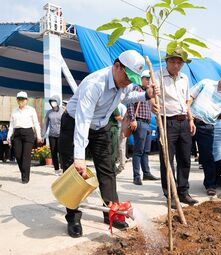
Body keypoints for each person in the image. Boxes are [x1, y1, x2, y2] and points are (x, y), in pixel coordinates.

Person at [59, 50, 159, 238]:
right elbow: (83, 119)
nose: (128, 82)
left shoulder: (125, 84)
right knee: (73, 173)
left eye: (132, 79)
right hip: (74, 124)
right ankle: (73, 218)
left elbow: (126, 97)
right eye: (127, 76)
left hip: (101, 126)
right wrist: (79, 157)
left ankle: (112, 213)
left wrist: (146, 95)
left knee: (107, 170)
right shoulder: (94, 84)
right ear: (117, 66)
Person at [155, 48, 198, 208]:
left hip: (184, 122)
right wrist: (153, 102)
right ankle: (170, 195)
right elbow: (151, 97)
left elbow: (187, 101)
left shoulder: (184, 78)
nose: (176, 65)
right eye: (173, 61)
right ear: (166, 61)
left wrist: (191, 119)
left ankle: (183, 191)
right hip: (167, 121)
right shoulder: (158, 76)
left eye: (179, 62)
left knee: (185, 159)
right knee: (167, 160)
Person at [189, 69, 221, 196]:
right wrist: (188, 116)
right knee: (184, 156)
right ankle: (181, 187)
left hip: (207, 126)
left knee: (207, 157)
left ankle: (210, 185)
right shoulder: (206, 83)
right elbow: (190, 97)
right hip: (191, 120)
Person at [127, 70, 159, 185]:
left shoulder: (148, 92)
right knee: (138, 151)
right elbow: (130, 104)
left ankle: (146, 173)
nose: (149, 81)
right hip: (139, 122)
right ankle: (136, 176)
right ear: (142, 79)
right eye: (147, 78)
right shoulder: (137, 89)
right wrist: (133, 119)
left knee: (146, 151)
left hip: (148, 123)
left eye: (150, 79)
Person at [7, 91, 42, 183]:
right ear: (17, 100)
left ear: (26, 100)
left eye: (22, 99)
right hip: (17, 134)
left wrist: (39, 136)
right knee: (18, 155)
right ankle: (24, 171)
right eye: (19, 99)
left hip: (28, 133)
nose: (21, 101)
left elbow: (36, 124)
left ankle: (25, 177)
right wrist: (8, 136)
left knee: (26, 156)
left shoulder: (31, 110)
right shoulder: (14, 111)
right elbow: (11, 125)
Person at [41, 95, 64, 175]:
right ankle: (56, 169)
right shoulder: (49, 112)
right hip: (52, 135)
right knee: (53, 152)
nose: (53, 103)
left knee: (61, 152)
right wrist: (42, 135)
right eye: (51, 102)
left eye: (54, 101)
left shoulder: (63, 111)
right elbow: (45, 124)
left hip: (61, 135)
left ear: (58, 102)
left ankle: (63, 168)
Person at [109, 108, 122, 179]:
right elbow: (117, 117)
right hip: (112, 129)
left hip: (107, 129)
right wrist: (126, 120)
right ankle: (113, 169)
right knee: (113, 151)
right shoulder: (114, 104)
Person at [116, 103, 127, 174]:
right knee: (116, 147)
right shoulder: (114, 105)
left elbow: (126, 119)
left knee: (121, 147)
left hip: (120, 128)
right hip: (115, 128)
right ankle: (118, 161)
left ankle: (122, 165)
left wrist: (117, 117)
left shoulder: (122, 106)